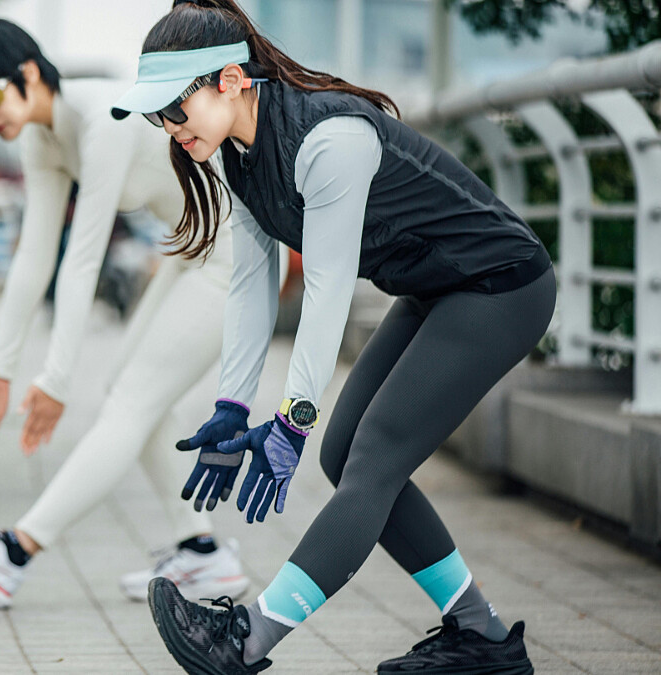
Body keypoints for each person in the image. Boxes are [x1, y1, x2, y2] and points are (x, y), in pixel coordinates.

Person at [111, 1, 553, 673]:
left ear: (230, 80)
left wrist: (292, 420)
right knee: (345, 453)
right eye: (157, 118)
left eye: (176, 109)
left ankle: (249, 638)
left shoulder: (328, 141)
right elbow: (252, 288)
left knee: (370, 456)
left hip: (500, 286)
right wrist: (233, 408)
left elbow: (327, 290)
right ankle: (479, 633)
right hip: (438, 288)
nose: (171, 130)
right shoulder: (240, 158)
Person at [0, 16, 263, 609]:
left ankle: (12, 554)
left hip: (239, 259)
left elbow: (81, 258)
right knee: (131, 396)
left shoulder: (102, 118)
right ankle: (202, 555)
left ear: (27, 73)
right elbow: (34, 255)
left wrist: (55, 380)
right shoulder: (40, 138)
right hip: (192, 255)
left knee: (132, 401)